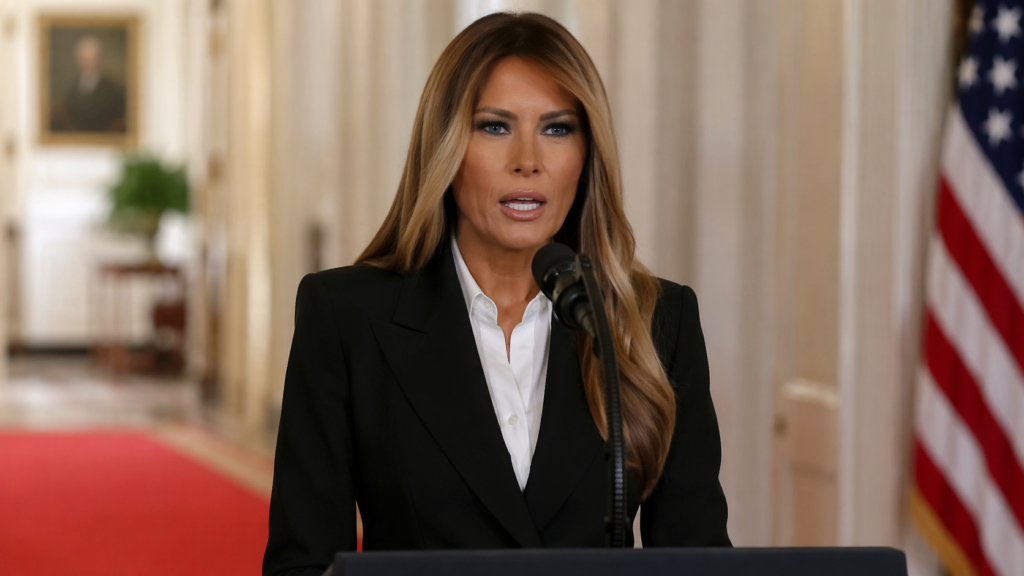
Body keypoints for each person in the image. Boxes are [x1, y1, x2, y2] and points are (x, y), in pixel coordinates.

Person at [263, 12, 729, 575]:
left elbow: (696, 559)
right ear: (446, 147)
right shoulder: (345, 317)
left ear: (587, 155)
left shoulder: (657, 320)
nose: (527, 161)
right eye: (495, 126)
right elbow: (302, 564)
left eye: (557, 128)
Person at [50, 35, 126, 133]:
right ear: (78, 61)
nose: (89, 63)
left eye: (93, 59)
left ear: (100, 60)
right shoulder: (71, 89)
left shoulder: (113, 89)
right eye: (85, 59)